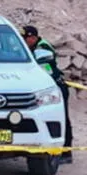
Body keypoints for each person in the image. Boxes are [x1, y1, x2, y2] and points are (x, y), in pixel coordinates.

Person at [21, 25, 73, 164]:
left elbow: (41, 69)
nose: (24, 42)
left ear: (32, 38)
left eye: (25, 39)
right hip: (47, 89)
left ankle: (66, 152)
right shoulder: (34, 47)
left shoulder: (42, 49)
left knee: (61, 119)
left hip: (55, 87)